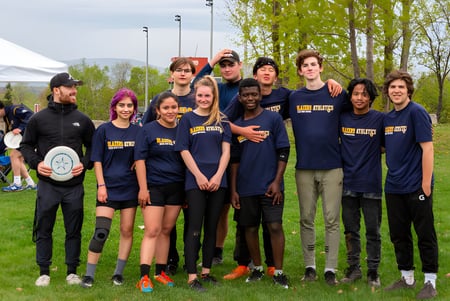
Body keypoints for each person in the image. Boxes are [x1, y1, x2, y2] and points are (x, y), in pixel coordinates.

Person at [223, 57, 343, 280]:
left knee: (272, 221)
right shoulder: (245, 95)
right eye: (262, 70)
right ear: (255, 77)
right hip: (247, 163)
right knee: (246, 222)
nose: (267, 73)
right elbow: (221, 120)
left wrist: (330, 83)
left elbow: (312, 93)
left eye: (271, 70)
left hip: (271, 164)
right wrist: (243, 131)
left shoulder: (287, 96)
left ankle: (273, 266)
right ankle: (244, 263)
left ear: (276, 76)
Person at [20, 72, 95, 287]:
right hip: (48, 185)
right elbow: (25, 145)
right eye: (70, 87)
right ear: (56, 90)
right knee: (44, 227)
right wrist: (37, 163)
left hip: (73, 186)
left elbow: (93, 146)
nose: (74, 91)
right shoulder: (38, 119)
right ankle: (44, 272)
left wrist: (85, 162)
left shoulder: (82, 120)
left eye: (75, 87)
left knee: (74, 229)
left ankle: (72, 271)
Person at [288, 49, 349, 286]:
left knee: (332, 219)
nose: (310, 68)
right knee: (306, 218)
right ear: (301, 70)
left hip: (332, 166)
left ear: (321, 67)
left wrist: (336, 83)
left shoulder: (336, 93)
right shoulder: (294, 97)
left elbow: (360, 101)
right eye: (306, 65)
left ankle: (330, 269)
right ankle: (310, 266)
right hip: (304, 167)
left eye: (314, 64)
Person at [382, 70, 438, 300]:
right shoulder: (388, 118)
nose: (396, 91)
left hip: (417, 186)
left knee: (425, 233)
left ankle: (430, 282)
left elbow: (428, 148)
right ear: (387, 92)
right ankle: (407, 277)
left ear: (408, 91)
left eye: (401, 87)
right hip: (394, 186)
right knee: (399, 234)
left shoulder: (416, 112)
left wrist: (426, 183)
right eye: (392, 87)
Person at [230, 78, 290, 288]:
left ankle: (279, 272)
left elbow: (283, 150)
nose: (250, 98)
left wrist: (277, 181)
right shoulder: (237, 125)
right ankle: (256, 268)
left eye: (254, 94)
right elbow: (234, 160)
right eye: (245, 95)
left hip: (270, 186)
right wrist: (234, 189)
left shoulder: (273, 119)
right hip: (246, 187)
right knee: (249, 228)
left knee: (274, 226)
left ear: (260, 95)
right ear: (240, 97)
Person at [175, 75, 231, 292]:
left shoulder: (222, 119)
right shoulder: (188, 119)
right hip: (195, 179)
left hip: (218, 180)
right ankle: (191, 275)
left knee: (212, 227)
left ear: (213, 96)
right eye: (200, 95)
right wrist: (198, 175)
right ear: (194, 96)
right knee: (194, 226)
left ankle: (206, 271)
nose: (203, 99)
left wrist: (218, 176)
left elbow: (226, 151)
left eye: (207, 95)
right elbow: (183, 149)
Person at [141, 57, 197, 275]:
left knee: (185, 223)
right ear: (171, 74)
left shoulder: (196, 100)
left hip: (185, 175)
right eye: (179, 70)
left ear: (193, 75)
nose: (183, 73)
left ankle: (188, 261)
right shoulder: (158, 102)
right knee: (161, 228)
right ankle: (163, 265)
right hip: (157, 180)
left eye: (187, 70)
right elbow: (144, 133)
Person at [80, 88, 140, 288]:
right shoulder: (104, 130)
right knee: (101, 232)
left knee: (127, 230)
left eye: (129, 105)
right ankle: (89, 275)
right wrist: (101, 186)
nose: (125, 109)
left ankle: (118, 273)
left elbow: (143, 157)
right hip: (108, 188)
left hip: (131, 188)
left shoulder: (138, 131)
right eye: (121, 105)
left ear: (134, 108)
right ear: (114, 107)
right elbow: (97, 160)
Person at [134, 92, 185, 293]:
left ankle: (160, 272)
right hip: (154, 187)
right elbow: (140, 161)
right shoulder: (147, 130)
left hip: (176, 187)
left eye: (174, 107)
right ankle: (144, 276)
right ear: (158, 110)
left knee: (166, 230)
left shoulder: (182, 130)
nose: (170, 111)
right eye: (166, 108)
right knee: (152, 230)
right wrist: (143, 189)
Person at [339, 78, 384, 287]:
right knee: (351, 230)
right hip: (347, 183)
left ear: (371, 98)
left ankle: (373, 271)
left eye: (364, 94)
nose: (359, 98)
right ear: (350, 96)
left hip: (371, 184)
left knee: (373, 230)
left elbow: (391, 143)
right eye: (356, 94)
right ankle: (353, 268)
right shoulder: (343, 118)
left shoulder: (380, 120)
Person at [0, 100, 37, 191]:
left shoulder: (15, 109)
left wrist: (20, 128)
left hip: (34, 136)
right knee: (18, 159)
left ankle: (17, 184)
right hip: (24, 140)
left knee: (13, 155)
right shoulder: (6, 117)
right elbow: (9, 133)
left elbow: (31, 116)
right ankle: (31, 184)